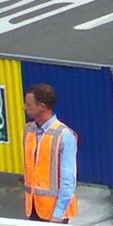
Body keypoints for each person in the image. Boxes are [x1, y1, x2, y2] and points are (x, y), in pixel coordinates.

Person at [23, 84, 77, 223]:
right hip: (33, 208)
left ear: (42, 106)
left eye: (29, 105)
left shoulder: (65, 135)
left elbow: (68, 179)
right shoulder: (28, 130)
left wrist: (58, 214)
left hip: (54, 213)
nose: (25, 107)